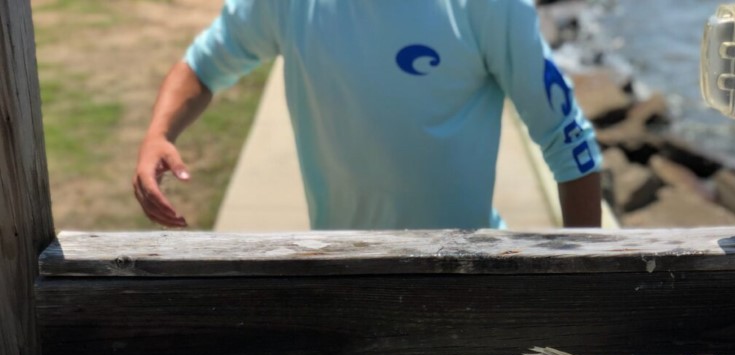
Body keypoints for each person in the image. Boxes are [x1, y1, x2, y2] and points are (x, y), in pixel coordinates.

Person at [133, 0, 603, 230]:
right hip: (342, 272)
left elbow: (569, 142)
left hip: (464, 274)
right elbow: (204, 65)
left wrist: (584, 293)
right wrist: (159, 133)